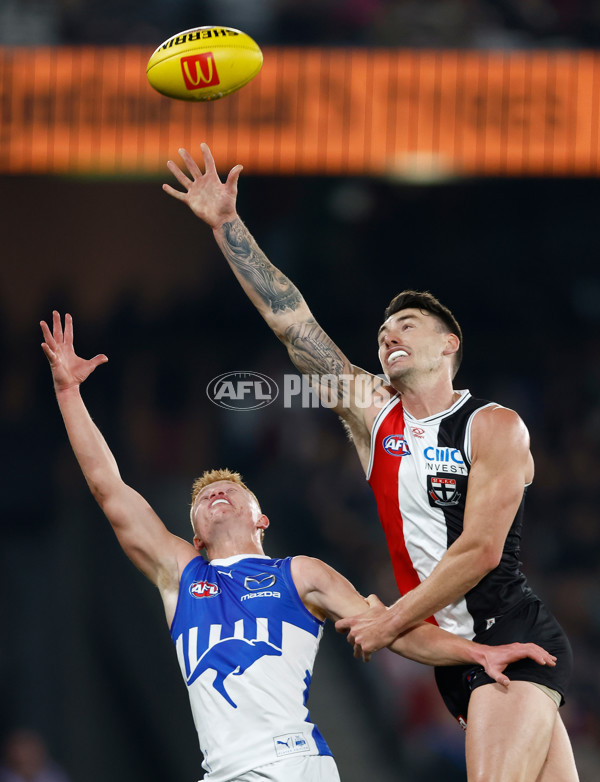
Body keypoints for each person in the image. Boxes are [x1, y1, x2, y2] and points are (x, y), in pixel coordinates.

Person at [163, 144, 579, 782]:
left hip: (507, 631)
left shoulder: (494, 425)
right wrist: (227, 225)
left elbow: (480, 552)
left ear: (448, 345)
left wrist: (390, 620)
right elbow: (290, 320)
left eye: (407, 325)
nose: (389, 335)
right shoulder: (372, 412)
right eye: (384, 330)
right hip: (455, 654)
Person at [40, 311, 557, 782]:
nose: (214, 491)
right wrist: (68, 394)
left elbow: (394, 632)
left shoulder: (301, 573)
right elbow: (109, 488)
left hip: (298, 766)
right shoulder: (181, 572)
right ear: (194, 535)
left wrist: (476, 652)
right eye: (202, 497)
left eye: (229, 489)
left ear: (260, 518)